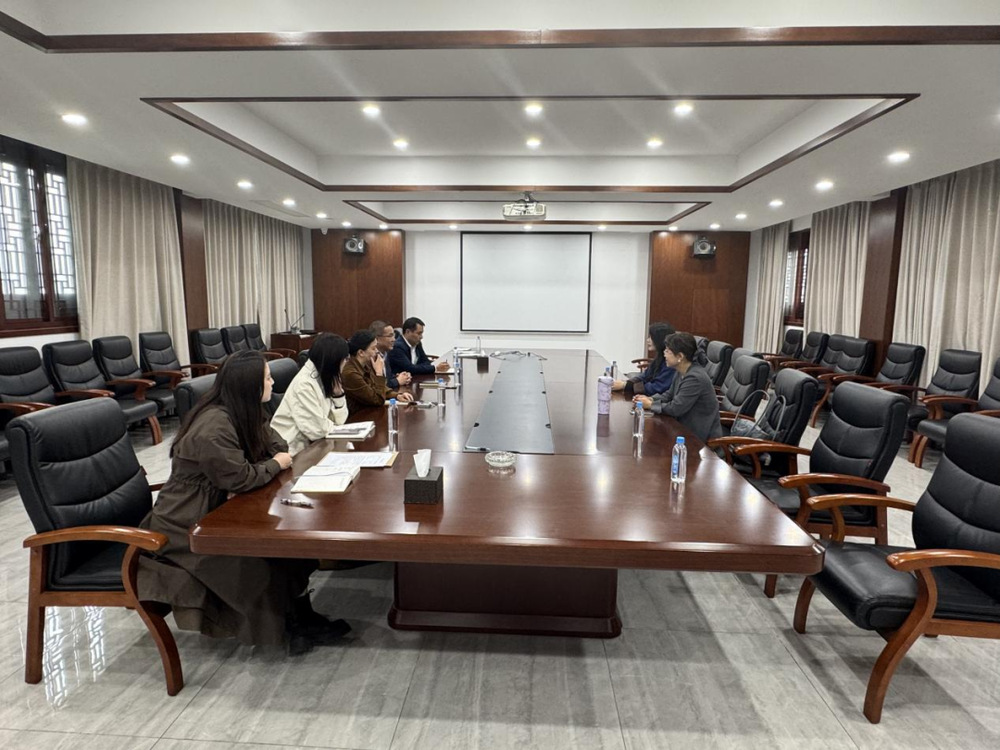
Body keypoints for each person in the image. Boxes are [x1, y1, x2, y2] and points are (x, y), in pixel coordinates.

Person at [137, 350, 349, 654]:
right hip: (186, 522)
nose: (272, 382)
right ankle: (284, 628)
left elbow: (277, 444)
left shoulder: (245, 410)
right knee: (258, 562)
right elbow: (242, 477)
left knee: (289, 549)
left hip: (220, 507)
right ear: (250, 384)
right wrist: (273, 464)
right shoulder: (213, 426)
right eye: (267, 378)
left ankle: (301, 618)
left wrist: (269, 462)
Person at [633, 331, 723, 443]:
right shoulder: (681, 371)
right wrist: (650, 399)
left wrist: (650, 405)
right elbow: (669, 395)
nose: (664, 354)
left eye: (668, 351)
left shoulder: (695, 378)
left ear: (680, 356)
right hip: (682, 428)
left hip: (698, 438)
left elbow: (676, 408)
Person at [270, 332, 350, 455]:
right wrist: (334, 427)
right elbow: (317, 431)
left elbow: (339, 422)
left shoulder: (325, 376)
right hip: (292, 452)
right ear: (333, 361)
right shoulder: (304, 384)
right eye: (345, 359)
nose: (346, 363)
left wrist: (338, 395)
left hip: (314, 445)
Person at [342, 329, 413, 413]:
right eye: (373, 348)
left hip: (368, 412)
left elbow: (378, 388)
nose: (376, 351)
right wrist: (379, 373)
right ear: (361, 352)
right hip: (357, 416)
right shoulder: (351, 373)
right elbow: (377, 400)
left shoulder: (365, 365)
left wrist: (397, 396)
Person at [613, 322, 676, 396]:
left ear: (660, 339)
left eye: (651, 337)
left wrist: (625, 386)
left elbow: (657, 387)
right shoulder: (660, 356)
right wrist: (627, 383)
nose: (647, 340)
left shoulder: (671, 362)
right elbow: (645, 376)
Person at [369, 319, 412, 390]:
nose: (394, 339)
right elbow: (375, 384)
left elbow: (386, 377)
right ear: (377, 339)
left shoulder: (386, 353)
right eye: (390, 336)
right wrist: (397, 381)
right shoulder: (370, 357)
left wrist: (400, 377)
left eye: (394, 335)